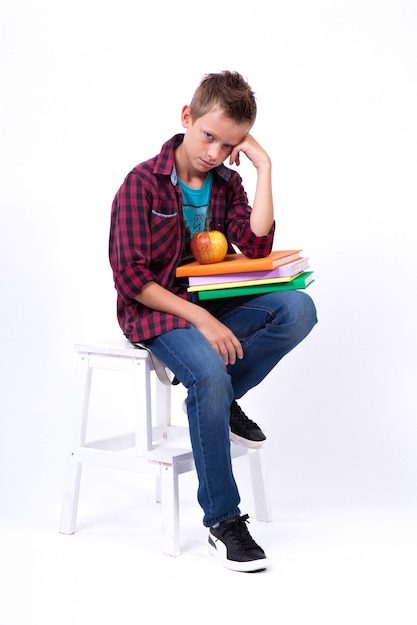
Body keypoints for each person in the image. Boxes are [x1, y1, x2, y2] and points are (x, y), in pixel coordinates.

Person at [109, 70, 317, 571]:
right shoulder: (142, 184)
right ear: (187, 117)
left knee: (297, 308)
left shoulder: (227, 184)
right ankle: (223, 520)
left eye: (228, 146)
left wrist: (264, 166)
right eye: (208, 136)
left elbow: (259, 245)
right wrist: (200, 319)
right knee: (205, 372)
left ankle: (220, 401)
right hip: (157, 311)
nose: (214, 153)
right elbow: (131, 279)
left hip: (210, 305)